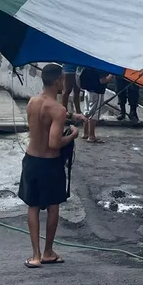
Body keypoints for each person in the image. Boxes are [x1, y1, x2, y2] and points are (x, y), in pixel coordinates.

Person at [20, 63, 86, 268]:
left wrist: (72, 116)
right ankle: (48, 252)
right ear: (58, 80)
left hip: (31, 159)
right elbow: (54, 143)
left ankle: (35, 255)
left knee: (33, 206)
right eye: (63, 80)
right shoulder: (57, 108)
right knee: (52, 206)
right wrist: (73, 134)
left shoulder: (32, 102)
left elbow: (46, 116)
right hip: (50, 163)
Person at [79, 67, 110, 143]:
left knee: (87, 111)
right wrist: (111, 75)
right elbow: (103, 80)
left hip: (87, 90)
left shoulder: (89, 64)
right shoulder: (100, 66)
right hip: (97, 91)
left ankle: (85, 133)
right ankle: (91, 136)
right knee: (94, 113)